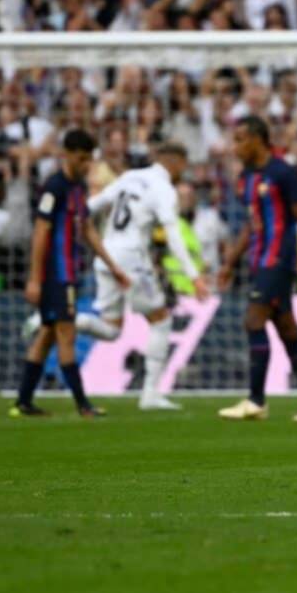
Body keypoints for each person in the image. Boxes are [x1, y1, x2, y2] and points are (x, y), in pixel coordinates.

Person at [64, 142, 209, 411]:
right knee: (162, 319)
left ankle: (54, 318)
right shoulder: (164, 189)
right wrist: (194, 276)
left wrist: (67, 214)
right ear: (175, 162)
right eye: (183, 166)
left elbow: (95, 204)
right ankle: (151, 394)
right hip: (131, 260)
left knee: (110, 329)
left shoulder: (130, 177)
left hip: (106, 256)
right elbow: (174, 235)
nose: (183, 172)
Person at [216, 116, 297, 423]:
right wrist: (229, 262)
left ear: (258, 139)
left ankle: (256, 400)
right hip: (258, 260)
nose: (235, 146)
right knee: (287, 330)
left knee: (253, 321)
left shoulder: (283, 172)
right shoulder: (246, 178)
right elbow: (252, 226)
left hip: (279, 260)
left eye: (240, 139)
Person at [11, 129, 130, 418]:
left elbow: (86, 228)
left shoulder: (77, 187)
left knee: (49, 334)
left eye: (89, 159)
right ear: (66, 154)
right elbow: (41, 232)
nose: (86, 164)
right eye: (81, 158)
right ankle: (82, 404)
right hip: (55, 274)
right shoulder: (55, 187)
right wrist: (35, 279)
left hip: (68, 273)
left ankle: (24, 402)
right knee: (66, 334)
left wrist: (113, 266)